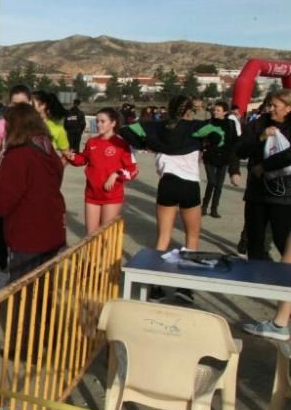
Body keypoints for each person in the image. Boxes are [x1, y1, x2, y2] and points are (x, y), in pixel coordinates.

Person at [119, 95, 226, 302]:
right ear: (189, 111)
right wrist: (206, 145)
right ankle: (184, 288)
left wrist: (146, 143)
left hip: (167, 184)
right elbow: (220, 134)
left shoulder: (155, 127)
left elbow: (126, 130)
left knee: (162, 238)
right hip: (189, 186)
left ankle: (155, 287)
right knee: (192, 237)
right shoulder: (196, 127)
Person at [0, 103, 66, 281]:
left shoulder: (18, 155)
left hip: (29, 236)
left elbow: (1, 204)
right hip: (53, 231)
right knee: (45, 291)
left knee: (24, 293)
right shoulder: (47, 149)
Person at [0, 84, 32, 290]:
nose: (18, 108)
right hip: (3, 186)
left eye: (23, 104)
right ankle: (4, 269)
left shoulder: (37, 128)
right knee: (1, 236)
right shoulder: (2, 125)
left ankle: (23, 276)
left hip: (27, 191)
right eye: (15, 104)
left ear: (30, 104)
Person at [235, 89, 291, 263]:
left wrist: (264, 166)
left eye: (275, 106)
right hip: (257, 192)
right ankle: (260, 280)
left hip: (284, 195)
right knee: (255, 242)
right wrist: (261, 137)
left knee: (282, 240)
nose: (270, 109)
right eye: (269, 105)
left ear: (288, 108)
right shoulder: (260, 123)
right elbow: (240, 150)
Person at [67, 107, 138, 233]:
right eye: (97, 121)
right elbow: (83, 159)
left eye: (102, 121)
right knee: (90, 236)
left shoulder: (123, 143)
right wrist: (72, 157)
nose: (98, 124)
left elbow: (133, 170)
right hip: (91, 195)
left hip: (111, 196)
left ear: (113, 123)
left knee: (105, 235)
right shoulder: (91, 142)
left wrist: (116, 174)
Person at [201, 100, 241, 219]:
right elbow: (200, 136)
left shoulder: (231, 124)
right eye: (214, 110)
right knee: (212, 182)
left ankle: (214, 208)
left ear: (225, 112)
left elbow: (235, 140)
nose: (215, 112)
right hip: (210, 157)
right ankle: (204, 206)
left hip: (224, 158)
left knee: (219, 185)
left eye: (218, 110)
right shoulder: (207, 123)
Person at [31, 90, 71, 157]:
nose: (27, 104)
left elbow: (66, 154)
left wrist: (56, 166)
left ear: (43, 105)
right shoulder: (24, 124)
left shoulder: (58, 129)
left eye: (31, 102)